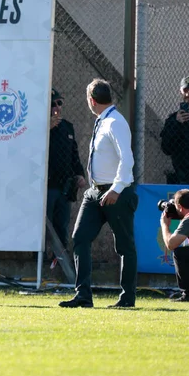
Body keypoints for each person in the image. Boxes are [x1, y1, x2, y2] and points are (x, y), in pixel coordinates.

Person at [59, 78, 138, 309]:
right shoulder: (102, 120)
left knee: (124, 246)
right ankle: (83, 295)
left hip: (116, 193)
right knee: (80, 238)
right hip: (95, 193)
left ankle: (127, 299)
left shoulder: (115, 122)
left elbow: (128, 159)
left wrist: (116, 189)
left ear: (92, 100)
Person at [47, 88, 86, 261]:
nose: (56, 107)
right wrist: (46, 128)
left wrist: (79, 174)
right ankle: (39, 260)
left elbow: (74, 155)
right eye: (52, 104)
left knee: (62, 225)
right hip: (46, 186)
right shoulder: (38, 126)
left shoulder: (67, 127)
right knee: (44, 227)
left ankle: (60, 259)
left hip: (64, 186)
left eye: (59, 103)